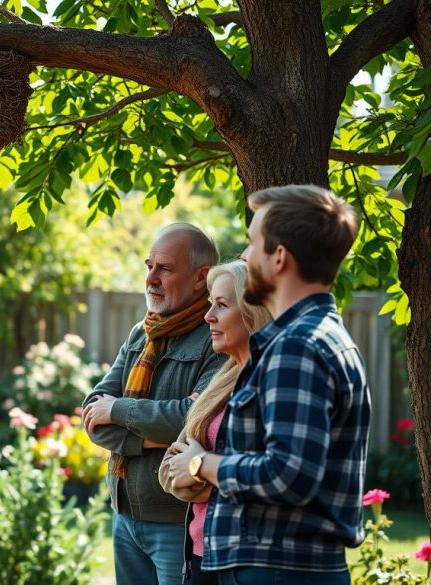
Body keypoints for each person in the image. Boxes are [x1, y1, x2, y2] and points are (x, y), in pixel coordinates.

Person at [165, 185, 369, 585]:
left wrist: (199, 463)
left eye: (252, 246)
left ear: (279, 258)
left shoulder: (297, 347)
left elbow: (287, 474)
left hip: (278, 569)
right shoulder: (314, 337)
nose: (245, 259)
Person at [82, 223, 227, 585]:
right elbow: (92, 413)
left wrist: (119, 411)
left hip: (177, 524)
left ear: (201, 278)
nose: (151, 278)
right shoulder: (141, 333)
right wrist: (151, 439)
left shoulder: (218, 338)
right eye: (149, 266)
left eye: (164, 268)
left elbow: (193, 421)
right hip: (124, 519)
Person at [157, 261, 271, 585]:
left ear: (254, 312)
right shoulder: (224, 378)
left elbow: (269, 478)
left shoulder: (270, 384)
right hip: (199, 554)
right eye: (210, 304)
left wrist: (197, 468)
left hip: (243, 562)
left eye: (221, 305)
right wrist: (204, 475)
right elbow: (169, 467)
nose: (209, 316)